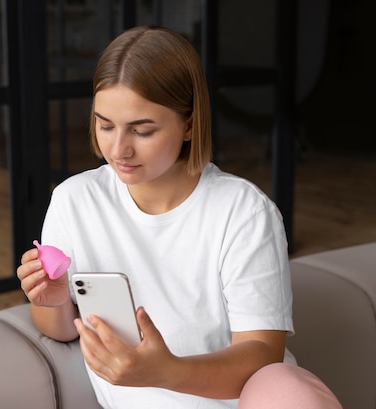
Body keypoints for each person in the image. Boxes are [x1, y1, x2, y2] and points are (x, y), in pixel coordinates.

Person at [17, 26, 341, 409]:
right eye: (105, 125)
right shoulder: (75, 200)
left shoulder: (242, 211)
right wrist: (51, 300)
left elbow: (261, 354)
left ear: (189, 123)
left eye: (142, 130)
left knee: (288, 386)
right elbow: (59, 329)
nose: (118, 148)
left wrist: (165, 370)